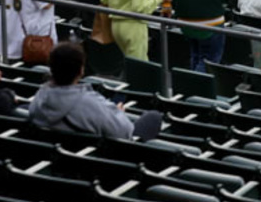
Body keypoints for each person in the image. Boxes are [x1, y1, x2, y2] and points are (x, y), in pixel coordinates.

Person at [29, 41, 164, 138]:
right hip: (94, 161)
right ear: (81, 70)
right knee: (154, 116)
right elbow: (125, 132)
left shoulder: (39, 98)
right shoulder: (90, 103)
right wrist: (119, 114)